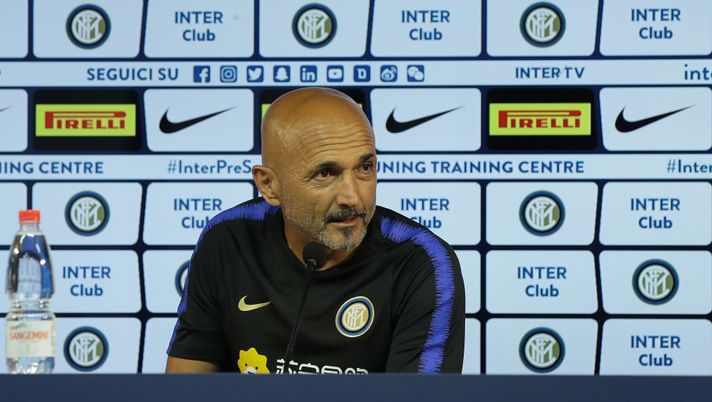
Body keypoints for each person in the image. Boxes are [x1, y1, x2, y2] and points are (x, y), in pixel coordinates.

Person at [166, 87, 465, 374]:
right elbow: (184, 389)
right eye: (325, 173)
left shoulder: (422, 263)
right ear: (269, 185)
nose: (352, 197)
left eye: (365, 168)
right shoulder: (228, 239)